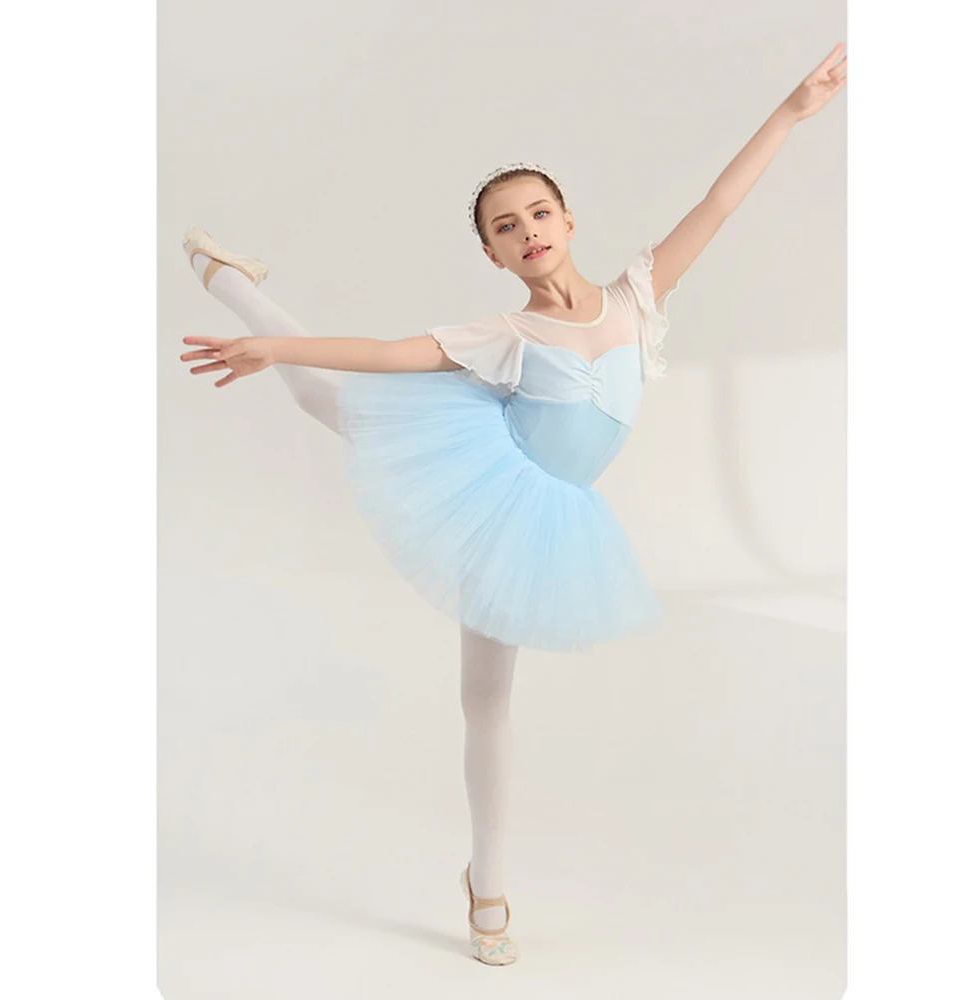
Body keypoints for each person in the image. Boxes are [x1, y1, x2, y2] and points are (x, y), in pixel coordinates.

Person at [178, 43, 846, 965]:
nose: (526, 230)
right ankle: (234, 285)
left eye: (537, 212)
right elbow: (388, 353)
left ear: (568, 221)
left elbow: (719, 203)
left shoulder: (638, 296)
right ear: (491, 254)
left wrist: (792, 110)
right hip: (492, 497)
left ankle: (236, 288)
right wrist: (282, 349)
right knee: (334, 412)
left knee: (487, 695)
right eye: (504, 226)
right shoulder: (505, 332)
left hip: (549, 511)